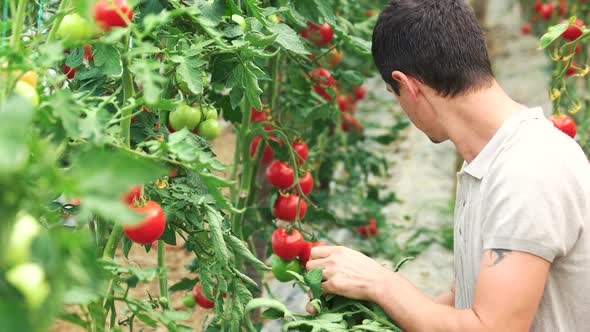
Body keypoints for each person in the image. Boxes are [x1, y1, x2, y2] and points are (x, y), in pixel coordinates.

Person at [305, 1, 590, 331]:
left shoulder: (528, 170)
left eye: (394, 94)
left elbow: (492, 328)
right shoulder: (486, 164)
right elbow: (463, 300)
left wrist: (383, 284)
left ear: (409, 86)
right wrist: (366, 310)